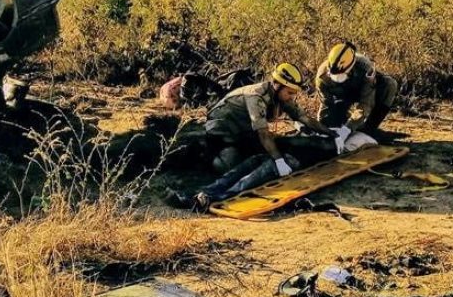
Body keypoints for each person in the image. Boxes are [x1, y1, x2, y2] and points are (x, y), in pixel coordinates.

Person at [166, 63, 335, 210]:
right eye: (290, 93)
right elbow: (262, 133)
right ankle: (210, 192)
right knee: (246, 163)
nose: (292, 97)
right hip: (223, 135)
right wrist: (278, 160)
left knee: (257, 160)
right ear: (278, 85)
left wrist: (333, 134)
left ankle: (208, 194)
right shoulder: (256, 95)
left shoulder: (279, 96)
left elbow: (304, 118)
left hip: (243, 134)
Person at [315, 42, 398, 140]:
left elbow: (366, 104)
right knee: (328, 126)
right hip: (341, 96)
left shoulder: (365, 68)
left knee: (390, 84)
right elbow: (326, 103)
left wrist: (347, 129)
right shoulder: (322, 76)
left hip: (362, 91)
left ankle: (369, 129)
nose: (338, 78)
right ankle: (346, 123)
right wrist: (321, 128)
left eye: (342, 75)